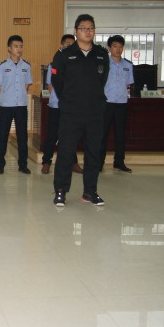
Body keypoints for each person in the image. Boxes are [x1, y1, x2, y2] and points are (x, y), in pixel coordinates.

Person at [51, 14, 109, 206]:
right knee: (66, 152)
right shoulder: (64, 55)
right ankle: (61, 190)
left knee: (93, 152)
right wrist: (70, 100)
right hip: (71, 113)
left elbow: (102, 80)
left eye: (91, 28)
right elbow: (57, 81)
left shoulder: (101, 54)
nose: (87, 31)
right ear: (76, 31)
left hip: (94, 112)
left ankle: (90, 191)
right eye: (83, 28)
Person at [41, 34, 82, 174]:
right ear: (62, 45)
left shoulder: (77, 64)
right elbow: (50, 85)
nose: (69, 46)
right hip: (56, 105)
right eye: (67, 44)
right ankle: (46, 162)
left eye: (72, 44)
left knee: (71, 135)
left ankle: (73, 162)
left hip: (71, 107)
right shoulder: (54, 64)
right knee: (52, 134)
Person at [0, 35, 33, 174]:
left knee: (22, 136)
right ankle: (0, 165)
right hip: (6, 106)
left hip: (21, 106)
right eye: (16, 46)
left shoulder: (26, 66)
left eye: (21, 46)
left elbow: (27, 85)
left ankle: (23, 165)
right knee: (3, 136)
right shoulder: (2, 66)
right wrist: (7, 97)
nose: (19, 49)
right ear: (9, 48)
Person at [99, 35, 134, 173]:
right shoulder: (103, 64)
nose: (118, 49)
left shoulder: (128, 65)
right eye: (115, 46)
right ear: (109, 48)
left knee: (120, 134)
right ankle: (99, 162)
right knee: (102, 134)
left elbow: (128, 84)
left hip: (121, 103)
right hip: (106, 103)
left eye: (120, 46)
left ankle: (119, 162)